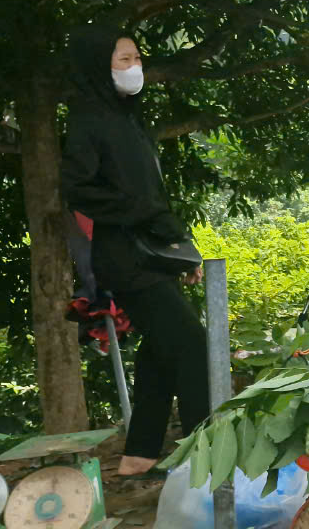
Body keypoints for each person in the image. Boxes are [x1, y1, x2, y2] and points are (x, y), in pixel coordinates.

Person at [61, 25, 210, 478]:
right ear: (98, 69)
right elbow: (79, 188)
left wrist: (178, 249)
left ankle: (139, 455)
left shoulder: (128, 119)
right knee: (192, 347)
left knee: (163, 351)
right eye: (123, 60)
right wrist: (141, 215)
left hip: (148, 252)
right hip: (124, 256)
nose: (135, 68)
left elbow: (151, 198)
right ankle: (205, 459)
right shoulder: (89, 120)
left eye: (137, 59)